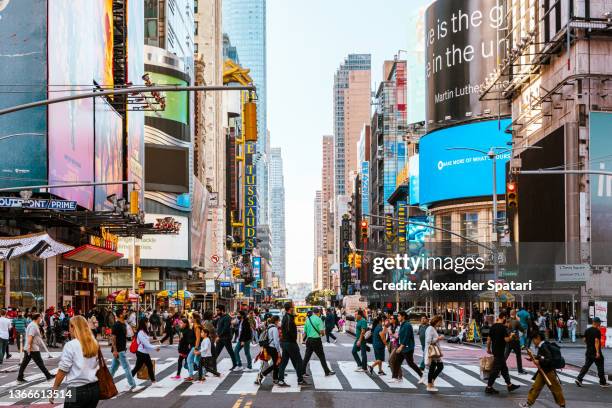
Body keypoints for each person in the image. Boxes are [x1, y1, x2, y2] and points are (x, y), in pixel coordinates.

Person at [49, 316, 99, 407]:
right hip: (94, 388)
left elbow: (63, 370)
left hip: (76, 389)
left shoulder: (71, 345)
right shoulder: (93, 342)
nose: (69, 329)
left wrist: (54, 390)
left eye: (69, 326)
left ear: (73, 327)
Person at [519, 331, 566, 408]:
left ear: (538, 338)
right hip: (542, 371)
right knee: (536, 387)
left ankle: (562, 404)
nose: (533, 342)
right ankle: (528, 403)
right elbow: (542, 357)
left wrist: (539, 360)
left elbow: (549, 359)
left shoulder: (544, 346)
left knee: (555, 388)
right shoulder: (543, 345)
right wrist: (534, 358)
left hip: (548, 371)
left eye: (534, 339)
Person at [485, 312, 521, 395]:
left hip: (495, 350)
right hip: (500, 351)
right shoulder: (502, 328)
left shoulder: (493, 326)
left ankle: (509, 385)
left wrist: (488, 348)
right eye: (506, 318)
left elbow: (488, 339)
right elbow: (506, 340)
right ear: (504, 317)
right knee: (495, 370)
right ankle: (489, 387)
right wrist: (511, 336)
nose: (506, 320)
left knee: (504, 369)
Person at [109, 309, 141, 392]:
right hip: (119, 350)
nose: (126, 314)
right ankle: (133, 385)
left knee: (113, 368)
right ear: (120, 315)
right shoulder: (116, 325)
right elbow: (113, 338)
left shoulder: (123, 324)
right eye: (124, 313)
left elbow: (126, 335)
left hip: (122, 349)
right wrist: (115, 350)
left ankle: (106, 383)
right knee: (127, 367)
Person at [17, 313, 54, 382]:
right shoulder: (33, 326)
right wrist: (29, 347)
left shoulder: (33, 325)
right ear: (37, 318)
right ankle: (48, 375)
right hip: (32, 348)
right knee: (40, 362)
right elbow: (30, 337)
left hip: (30, 347)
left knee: (24, 363)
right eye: (40, 318)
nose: (41, 319)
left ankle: (20, 377)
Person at [278, 302, 307, 387]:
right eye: (293, 307)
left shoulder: (287, 317)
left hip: (286, 342)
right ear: (290, 308)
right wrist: (294, 338)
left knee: (284, 362)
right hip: (290, 343)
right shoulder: (288, 318)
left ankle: (281, 380)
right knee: (298, 361)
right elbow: (288, 330)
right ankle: (300, 380)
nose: (294, 308)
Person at [575, 317, 609, 387]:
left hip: (588, 351)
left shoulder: (587, 330)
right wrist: (597, 352)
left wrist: (589, 344)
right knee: (600, 366)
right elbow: (596, 341)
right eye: (599, 322)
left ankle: (579, 378)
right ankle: (602, 382)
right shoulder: (597, 331)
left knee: (586, 366)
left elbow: (584, 339)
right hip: (595, 352)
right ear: (596, 323)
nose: (600, 323)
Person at [302, 307, 335, 376]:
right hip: (316, 340)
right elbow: (322, 332)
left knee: (307, 357)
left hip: (309, 340)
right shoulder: (319, 320)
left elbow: (304, 332)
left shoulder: (308, 319)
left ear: (313, 312)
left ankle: (302, 372)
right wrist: (322, 334)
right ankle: (327, 371)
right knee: (321, 356)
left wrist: (303, 340)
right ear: (318, 312)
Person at [393, 311, 424, 383]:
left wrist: (401, 347)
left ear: (403, 316)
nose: (398, 317)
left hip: (407, 348)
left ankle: (422, 375)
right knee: (396, 361)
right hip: (402, 347)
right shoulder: (402, 325)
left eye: (399, 316)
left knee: (410, 363)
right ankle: (395, 377)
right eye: (398, 316)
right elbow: (401, 336)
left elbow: (406, 337)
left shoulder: (407, 325)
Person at [131, 317, 160, 383]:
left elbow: (147, 343)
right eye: (147, 322)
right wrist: (155, 348)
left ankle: (153, 382)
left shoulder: (144, 332)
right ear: (144, 323)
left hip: (144, 352)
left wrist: (154, 346)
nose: (148, 323)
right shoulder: (141, 332)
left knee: (147, 366)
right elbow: (146, 344)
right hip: (141, 352)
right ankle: (130, 379)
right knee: (139, 367)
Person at [256, 315, 281, 384]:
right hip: (273, 348)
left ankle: (275, 378)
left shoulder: (269, 327)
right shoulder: (274, 329)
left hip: (268, 347)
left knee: (276, 364)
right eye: (278, 321)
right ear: (276, 321)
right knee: (277, 363)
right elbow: (276, 341)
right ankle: (262, 374)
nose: (279, 322)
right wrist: (278, 351)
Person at [424, 315, 444, 392]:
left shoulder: (433, 328)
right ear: (437, 321)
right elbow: (428, 341)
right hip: (431, 351)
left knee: (439, 366)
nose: (441, 323)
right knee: (433, 367)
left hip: (435, 351)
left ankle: (431, 382)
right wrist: (438, 338)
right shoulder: (430, 329)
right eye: (440, 321)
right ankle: (429, 385)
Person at [215, 305, 238, 370]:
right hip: (220, 338)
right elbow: (219, 327)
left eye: (218, 310)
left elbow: (225, 328)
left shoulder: (227, 317)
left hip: (226, 338)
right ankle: (212, 365)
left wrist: (219, 336)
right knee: (216, 352)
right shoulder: (220, 317)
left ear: (222, 310)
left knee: (230, 351)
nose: (217, 312)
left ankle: (235, 364)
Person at [505, 309, 527, 374]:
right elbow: (522, 329)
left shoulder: (507, 321)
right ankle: (520, 370)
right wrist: (518, 320)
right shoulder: (516, 322)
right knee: (518, 355)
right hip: (515, 340)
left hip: (508, 340)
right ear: (515, 314)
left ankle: (499, 368)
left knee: (506, 355)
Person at [186, 313, 203, 381]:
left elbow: (198, 338)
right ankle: (202, 374)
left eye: (191, 317)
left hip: (196, 346)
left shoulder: (197, 326)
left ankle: (191, 376)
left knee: (189, 360)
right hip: (196, 345)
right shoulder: (195, 325)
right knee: (196, 360)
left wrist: (196, 348)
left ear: (195, 319)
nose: (190, 319)